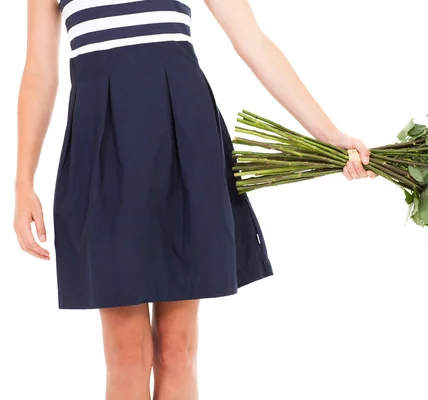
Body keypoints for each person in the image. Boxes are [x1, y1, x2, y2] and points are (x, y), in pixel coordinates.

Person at [14, 0, 375, 398]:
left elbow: (253, 41)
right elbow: (39, 72)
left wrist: (327, 133)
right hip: (101, 155)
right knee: (127, 353)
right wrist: (22, 181)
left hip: (183, 148)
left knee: (177, 348)